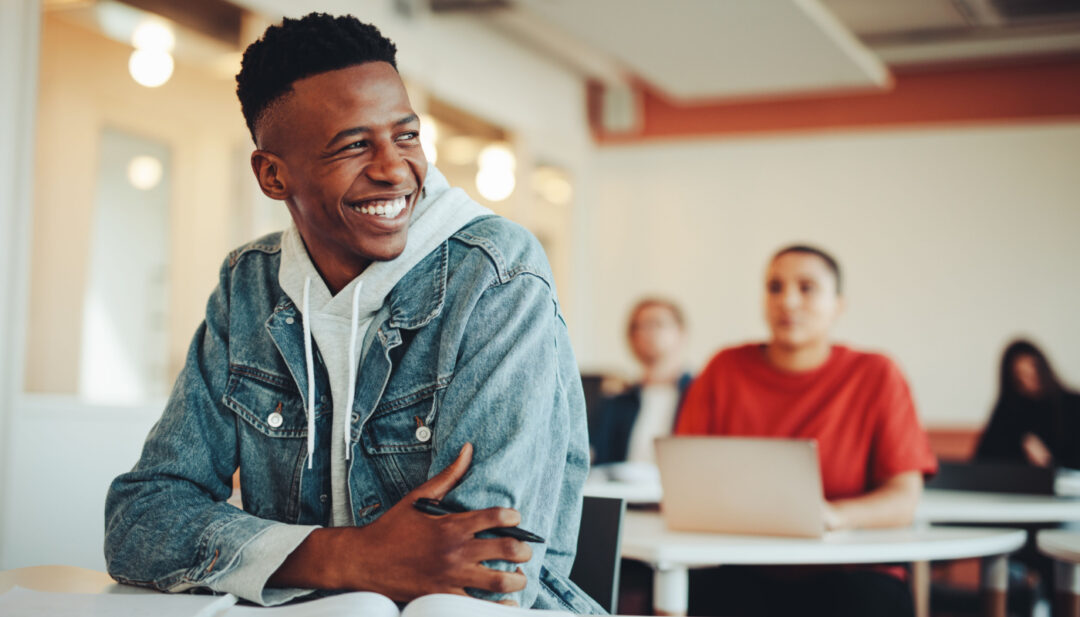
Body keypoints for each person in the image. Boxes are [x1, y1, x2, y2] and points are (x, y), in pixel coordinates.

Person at [103, 13, 600, 613]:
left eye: (407, 135)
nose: (394, 168)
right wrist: (351, 556)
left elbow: (483, 571)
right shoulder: (249, 285)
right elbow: (140, 520)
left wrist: (285, 557)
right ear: (272, 175)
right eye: (354, 144)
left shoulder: (495, 272)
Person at [675, 244, 938, 617]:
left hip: (852, 569)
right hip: (742, 564)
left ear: (839, 305)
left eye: (807, 287)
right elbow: (687, 479)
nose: (789, 301)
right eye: (775, 287)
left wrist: (836, 516)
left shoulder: (877, 375)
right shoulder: (724, 369)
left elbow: (903, 499)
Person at [591, 297, 692, 466]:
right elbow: (600, 458)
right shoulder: (618, 400)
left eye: (657, 324)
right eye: (637, 327)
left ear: (681, 332)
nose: (645, 332)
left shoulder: (700, 394)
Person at [975, 339, 1080, 470]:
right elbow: (983, 462)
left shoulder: (1072, 406)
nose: (1030, 381)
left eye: (1033, 373)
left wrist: (1049, 461)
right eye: (1021, 376)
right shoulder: (1007, 411)